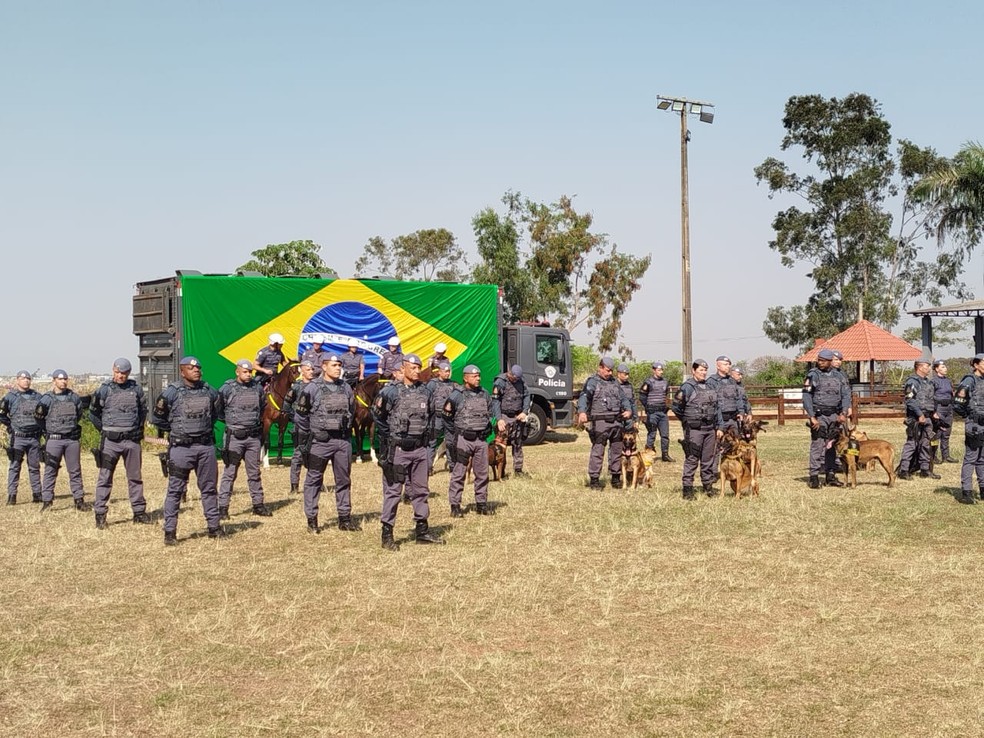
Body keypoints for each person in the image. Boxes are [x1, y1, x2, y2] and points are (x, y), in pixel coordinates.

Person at [151, 356, 226, 545]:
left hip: (205, 447)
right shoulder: (171, 393)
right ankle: (170, 532)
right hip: (181, 448)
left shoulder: (209, 391)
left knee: (209, 489)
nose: (196, 370)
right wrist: (176, 429)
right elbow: (158, 418)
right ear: (182, 371)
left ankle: (214, 527)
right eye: (191, 368)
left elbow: (216, 413)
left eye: (198, 368)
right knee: (175, 490)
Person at [374, 353, 444, 548]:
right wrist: (390, 436)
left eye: (418, 367)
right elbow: (378, 416)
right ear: (403, 369)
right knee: (393, 492)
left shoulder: (425, 392)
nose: (416, 371)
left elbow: (430, 416)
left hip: (420, 449)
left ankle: (422, 530)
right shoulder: (390, 392)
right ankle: (387, 534)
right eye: (413, 368)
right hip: (398, 450)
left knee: (421, 491)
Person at [295, 353, 360, 534]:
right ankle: (312, 519)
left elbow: (352, 409)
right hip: (319, 443)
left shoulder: (346, 387)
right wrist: (314, 432)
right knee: (314, 480)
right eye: (333, 365)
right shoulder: (312, 388)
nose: (338, 368)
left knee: (343, 480)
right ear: (324, 367)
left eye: (339, 364)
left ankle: (345, 518)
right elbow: (300, 416)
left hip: (342, 441)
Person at [89, 358, 151, 528]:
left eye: (123, 373)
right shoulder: (104, 390)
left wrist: (139, 428)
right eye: (117, 372)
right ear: (113, 370)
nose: (120, 376)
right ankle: (100, 513)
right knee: (105, 478)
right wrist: (104, 430)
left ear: (128, 373)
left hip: (131, 441)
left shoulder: (136, 389)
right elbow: (93, 413)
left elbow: (142, 411)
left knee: (135, 477)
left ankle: (139, 512)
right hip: (111, 442)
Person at [217, 359, 273, 519]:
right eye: (245, 372)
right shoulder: (227, 389)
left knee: (254, 472)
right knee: (230, 473)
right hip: (234, 437)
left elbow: (262, 407)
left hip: (253, 437)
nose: (248, 374)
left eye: (250, 372)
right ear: (237, 372)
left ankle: (258, 505)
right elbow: (219, 410)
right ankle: (223, 508)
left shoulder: (257, 388)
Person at [444, 363, 500, 517]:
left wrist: (490, 426)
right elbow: (447, 416)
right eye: (474, 376)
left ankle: (481, 504)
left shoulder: (484, 394)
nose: (478, 378)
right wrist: (456, 432)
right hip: (464, 439)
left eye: (479, 376)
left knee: (482, 473)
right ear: (465, 377)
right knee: (459, 473)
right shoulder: (457, 395)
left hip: (481, 440)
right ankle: (455, 506)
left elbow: (490, 412)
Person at [35, 369, 91, 512]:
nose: (63, 382)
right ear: (54, 380)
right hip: (54, 440)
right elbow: (39, 418)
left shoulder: (74, 397)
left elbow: (78, 415)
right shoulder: (46, 398)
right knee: (50, 470)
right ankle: (47, 501)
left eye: (65, 379)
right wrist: (49, 430)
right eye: (60, 379)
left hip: (71, 440)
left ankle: (79, 500)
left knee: (75, 470)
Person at [577, 357, 633, 489]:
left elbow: (624, 398)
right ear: (600, 367)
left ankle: (615, 478)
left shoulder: (615, 382)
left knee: (617, 449)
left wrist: (629, 410)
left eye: (611, 371)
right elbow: (584, 397)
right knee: (598, 450)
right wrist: (582, 412)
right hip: (600, 421)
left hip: (617, 421)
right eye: (607, 370)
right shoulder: (592, 382)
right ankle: (595, 480)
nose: (610, 373)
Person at [672, 359, 723, 499]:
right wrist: (687, 420)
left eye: (705, 370)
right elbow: (676, 407)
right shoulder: (687, 387)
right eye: (701, 370)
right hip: (694, 429)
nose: (704, 372)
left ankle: (708, 486)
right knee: (692, 458)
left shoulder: (710, 386)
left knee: (708, 459)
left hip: (710, 429)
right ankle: (687, 489)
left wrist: (720, 427)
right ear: (693, 371)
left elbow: (717, 408)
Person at [802, 348, 852, 489]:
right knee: (818, 445)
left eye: (823, 361)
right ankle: (814, 476)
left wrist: (843, 413)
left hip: (835, 416)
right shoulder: (813, 375)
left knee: (832, 446)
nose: (820, 363)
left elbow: (846, 395)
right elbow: (806, 396)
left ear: (830, 361)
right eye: (819, 360)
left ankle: (831, 475)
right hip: (819, 415)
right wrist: (812, 416)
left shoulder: (839, 376)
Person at [0, 370, 44, 505]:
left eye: (28, 378)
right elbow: (2, 414)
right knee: (14, 466)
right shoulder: (10, 397)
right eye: (23, 378)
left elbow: (43, 414)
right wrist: (10, 426)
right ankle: (12, 496)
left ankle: (37, 494)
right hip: (17, 438)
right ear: (17, 380)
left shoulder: (37, 397)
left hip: (34, 437)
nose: (26, 381)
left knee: (34, 466)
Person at [897, 358, 941, 481]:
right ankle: (904, 470)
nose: (928, 369)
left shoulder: (928, 382)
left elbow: (931, 399)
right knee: (912, 443)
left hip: (927, 417)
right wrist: (919, 414)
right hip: (916, 418)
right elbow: (910, 400)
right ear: (919, 367)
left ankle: (925, 469)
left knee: (926, 444)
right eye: (927, 366)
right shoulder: (912, 382)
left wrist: (934, 412)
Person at [953, 354, 984, 504]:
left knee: (982, 459)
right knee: (971, 458)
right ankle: (966, 492)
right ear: (976, 365)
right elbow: (958, 403)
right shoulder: (969, 380)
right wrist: (971, 416)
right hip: (975, 426)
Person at [491, 364, 531, 477]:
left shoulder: (521, 381)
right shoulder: (500, 382)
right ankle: (500, 471)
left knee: (517, 443)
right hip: (504, 416)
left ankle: (518, 470)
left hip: (517, 416)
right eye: (514, 378)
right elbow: (495, 401)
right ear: (509, 373)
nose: (515, 380)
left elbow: (527, 395)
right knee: (500, 445)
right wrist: (499, 419)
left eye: (517, 378)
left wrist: (524, 411)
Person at [284, 358, 317, 493]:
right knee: (298, 455)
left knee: (315, 456)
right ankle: (294, 485)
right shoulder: (296, 387)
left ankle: (314, 484)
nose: (311, 372)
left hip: (315, 426)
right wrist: (295, 418)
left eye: (312, 369)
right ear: (301, 371)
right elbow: (286, 405)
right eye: (308, 370)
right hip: (300, 427)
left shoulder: (317, 386)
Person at [639, 361, 673, 462]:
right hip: (652, 413)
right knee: (652, 434)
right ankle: (648, 453)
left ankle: (665, 455)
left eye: (662, 370)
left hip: (662, 412)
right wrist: (648, 407)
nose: (661, 372)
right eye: (659, 370)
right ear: (653, 370)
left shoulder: (665, 382)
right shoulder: (648, 382)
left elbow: (665, 394)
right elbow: (642, 396)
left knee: (665, 435)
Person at [426, 359, 456, 474]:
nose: (447, 373)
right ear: (439, 372)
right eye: (445, 371)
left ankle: (452, 466)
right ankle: (428, 468)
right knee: (432, 442)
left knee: (450, 442)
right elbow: (427, 399)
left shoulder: (452, 384)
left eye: (449, 371)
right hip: (436, 418)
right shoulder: (432, 384)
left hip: (449, 418)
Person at [932, 359, 957, 463]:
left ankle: (946, 456)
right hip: (939, 408)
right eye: (942, 367)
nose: (945, 368)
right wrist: (934, 412)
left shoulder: (948, 380)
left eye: (945, 367)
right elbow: (930, 397)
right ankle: (932, 456)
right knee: (936, 434)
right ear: (937, 369)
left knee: (946, 433)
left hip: (948, 408)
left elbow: (951, 393)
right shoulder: (933, 381)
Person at [616, 363, 637, 431]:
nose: (627, 376)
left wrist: (635, 419)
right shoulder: (613, 385)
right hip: (617, 418)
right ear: (619, 374)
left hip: (629, 419)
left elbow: (633, 403)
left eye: (628, 374)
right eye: (625, 374)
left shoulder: (629, 386)